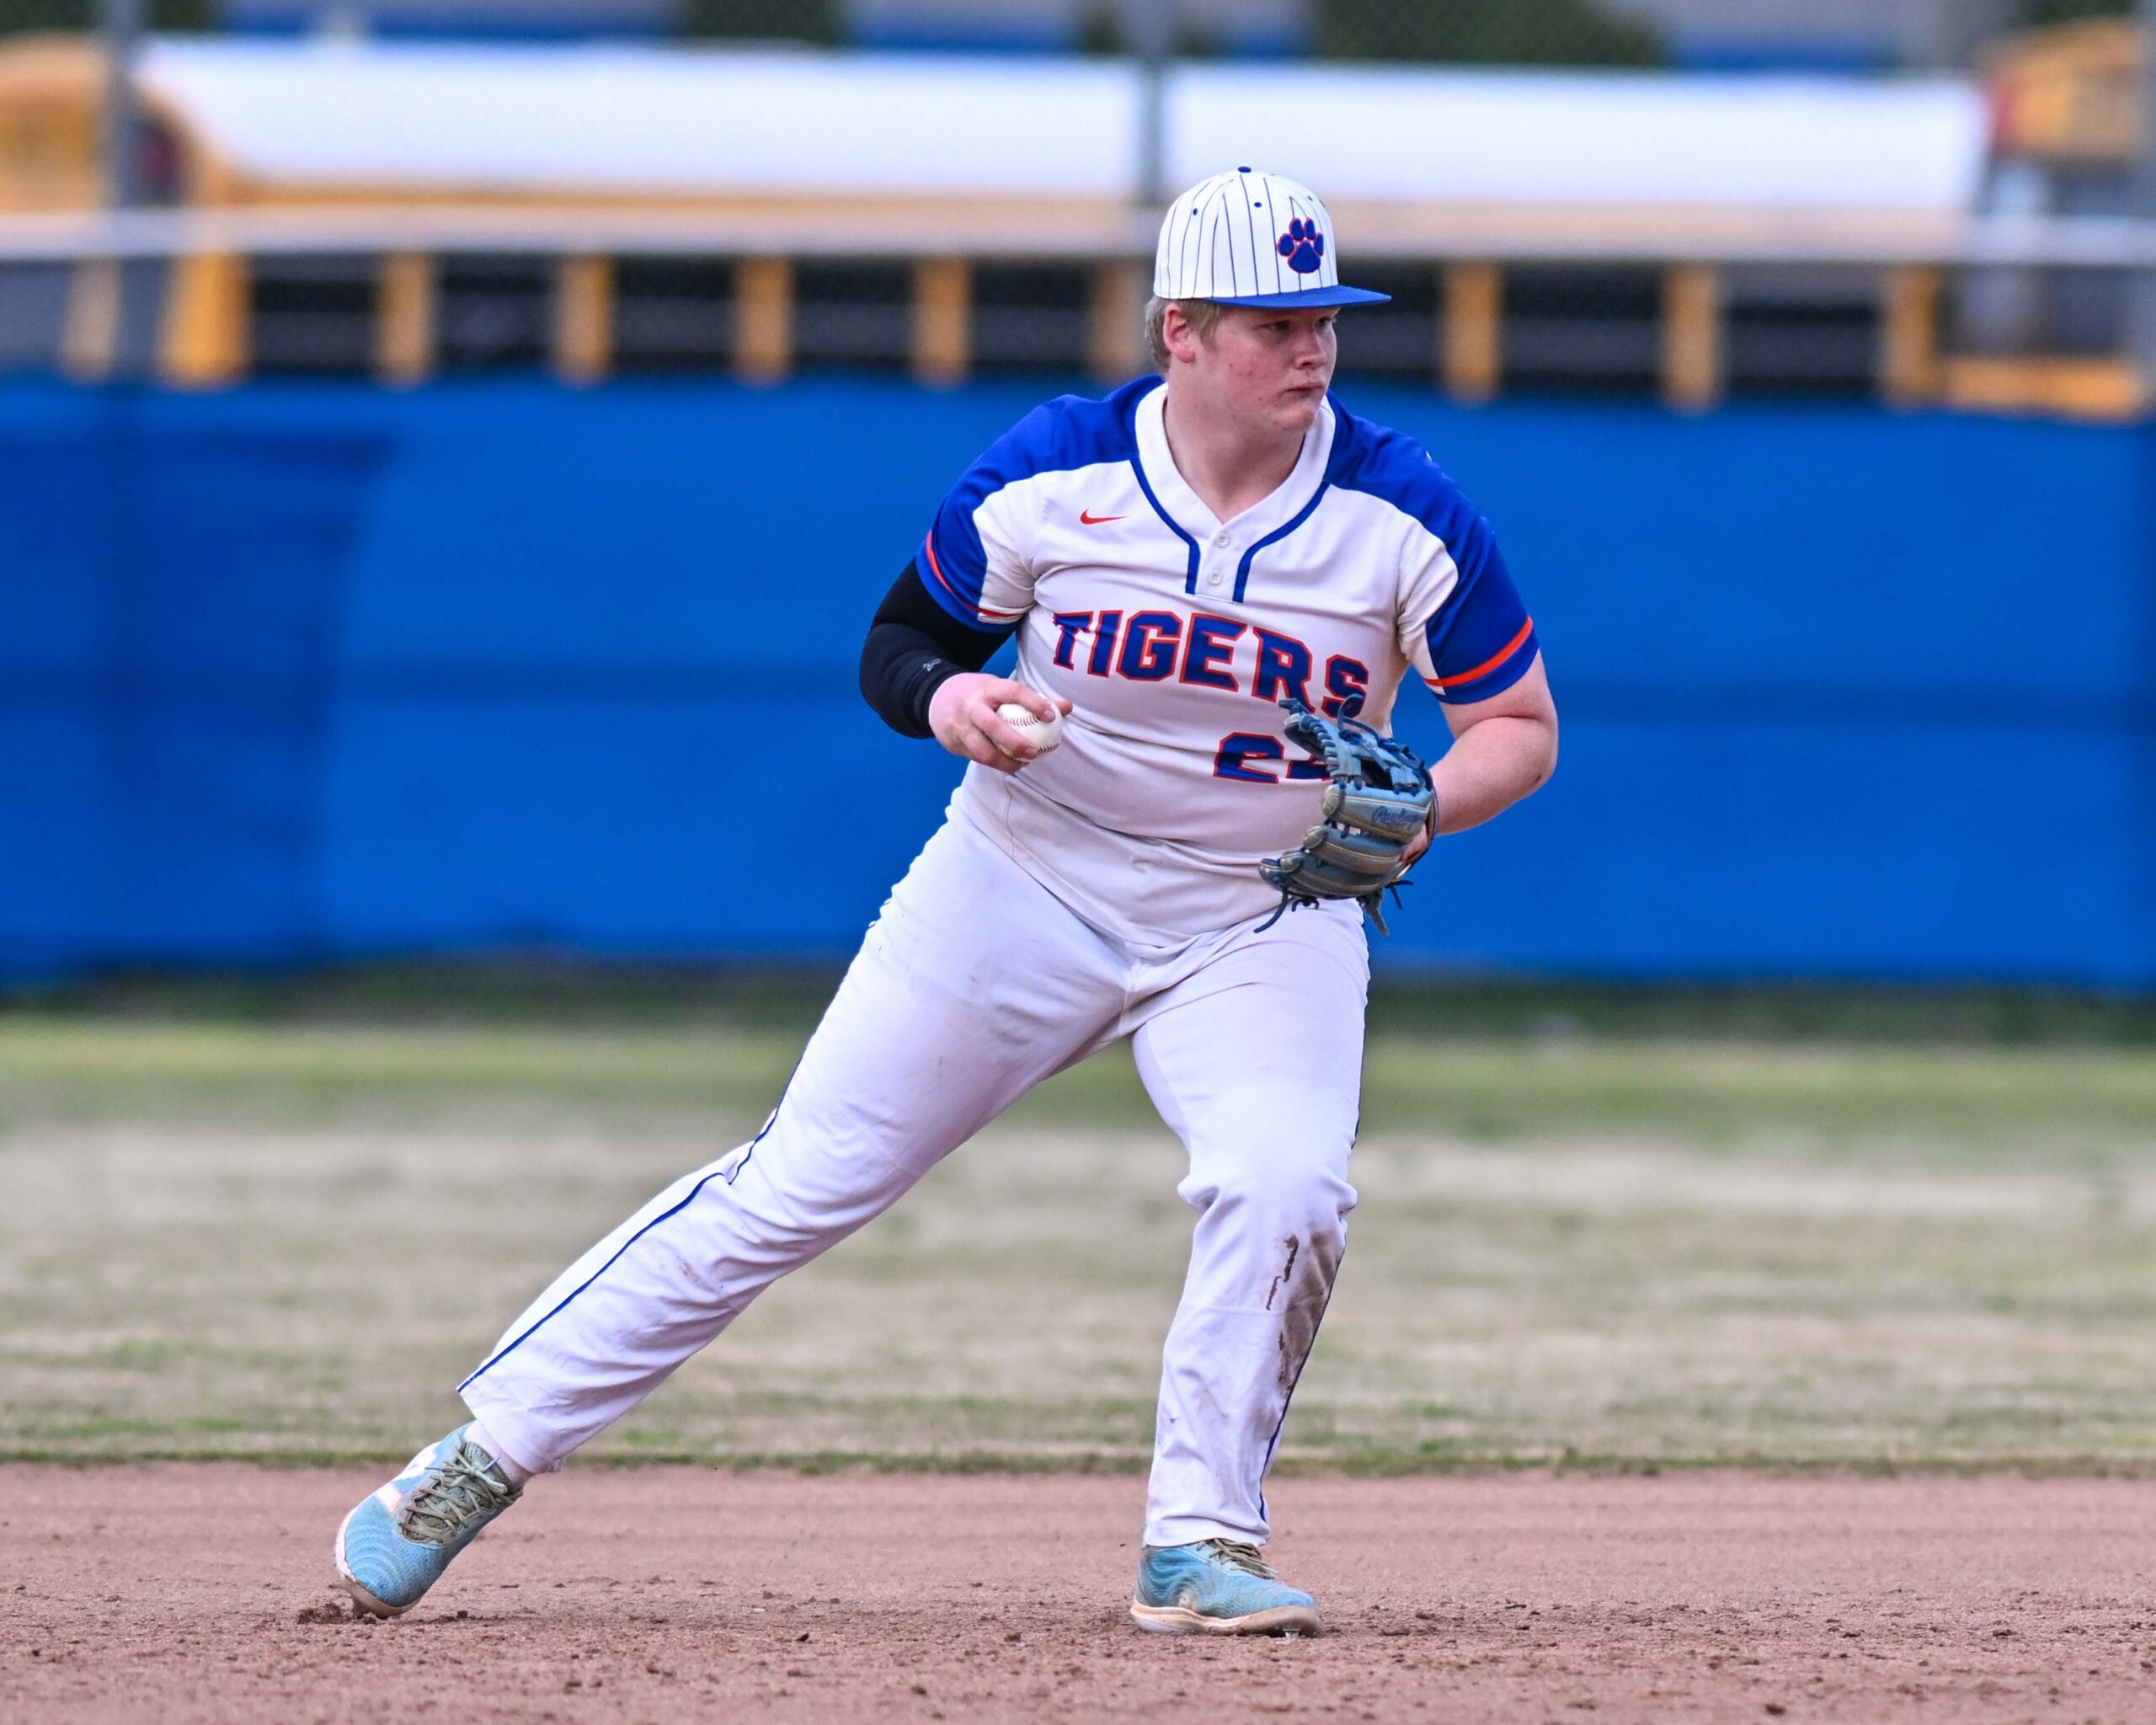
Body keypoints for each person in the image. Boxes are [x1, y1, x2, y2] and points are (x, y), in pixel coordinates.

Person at [334, 168, 1558, 1637]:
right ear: (1180, 329)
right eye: (1272, 321)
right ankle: (471, 1463)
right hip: (1022, 878)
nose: (1312, 349)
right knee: (801, 1181)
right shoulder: (1054, 471)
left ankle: (1200, 1542)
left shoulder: (1400, 512)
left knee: (1286, 1185)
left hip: (1262, 910)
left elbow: (1518, 727)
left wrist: (1428, 802)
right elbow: (900, 641)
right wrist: (951, 700)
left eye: (1324, 319)